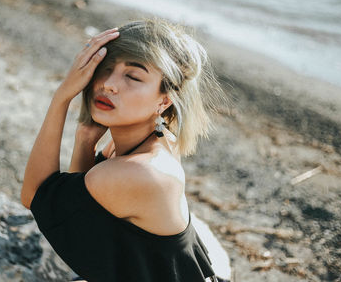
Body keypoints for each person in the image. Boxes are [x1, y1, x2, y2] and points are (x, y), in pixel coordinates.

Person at [21, 18, 231, 282]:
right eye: (105, 68)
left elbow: (35, 195)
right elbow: (85, 211)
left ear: (164, 101)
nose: (109, 84)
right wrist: (85, 140)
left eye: (132, 76)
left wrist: (62, 97)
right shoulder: (160, 139)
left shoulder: (139, 171)